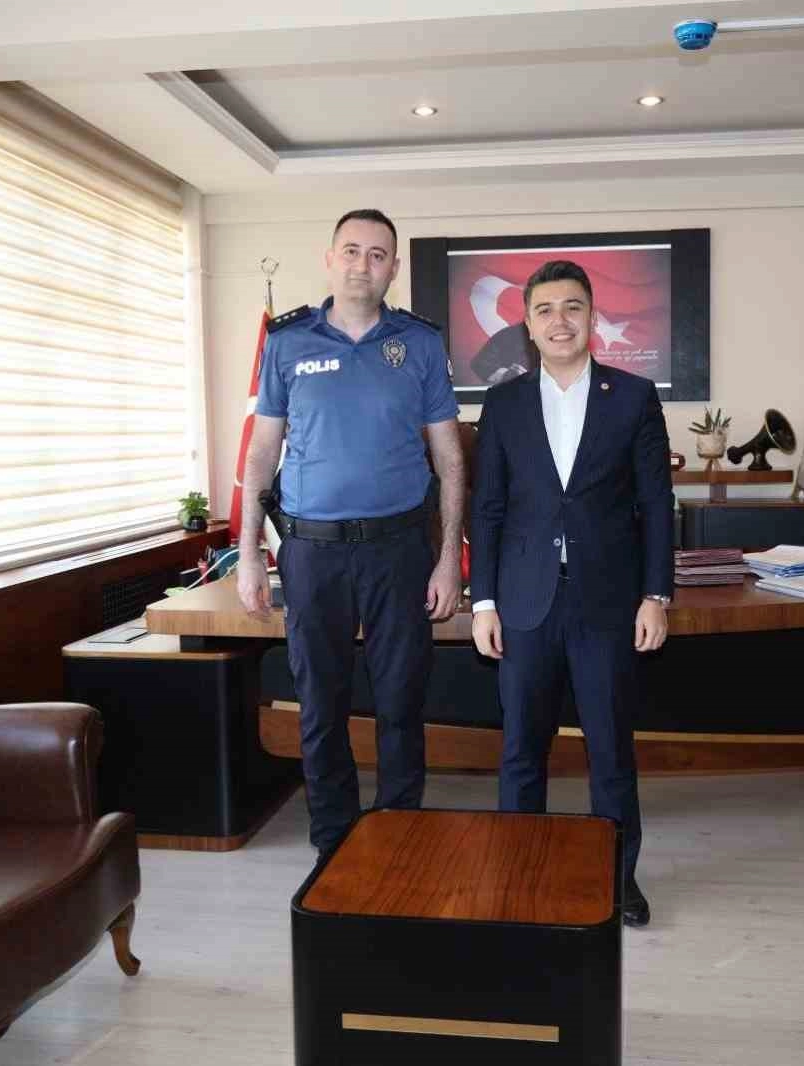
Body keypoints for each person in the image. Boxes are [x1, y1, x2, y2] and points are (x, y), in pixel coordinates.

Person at [237, 208, 464, 860]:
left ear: (394, 268)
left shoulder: (419, 344)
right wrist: (249, 553)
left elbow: (450, 458)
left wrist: (448, 558)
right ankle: (334, 844)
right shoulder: (287, 342)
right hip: (312, 552)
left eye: (378, 254)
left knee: (400, 700)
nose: (364, 264)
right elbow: (261, 454)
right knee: (320, 703)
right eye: (353, 250)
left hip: (400, 550)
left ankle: (398, 834)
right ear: (330, 258)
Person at [469, 259, 674, 927]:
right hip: (523, 606)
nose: (560, 321)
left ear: (592, 317)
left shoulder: (634, 397)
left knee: (610, 751)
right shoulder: (502, 404)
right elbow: (488, 509)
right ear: (528, 326)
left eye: (572, 307)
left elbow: (656, 503)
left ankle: (618, 880)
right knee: (521, 752)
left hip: (608, 604)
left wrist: (656, 595)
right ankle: (519, 876)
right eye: (545, 310)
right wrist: (483, 602)